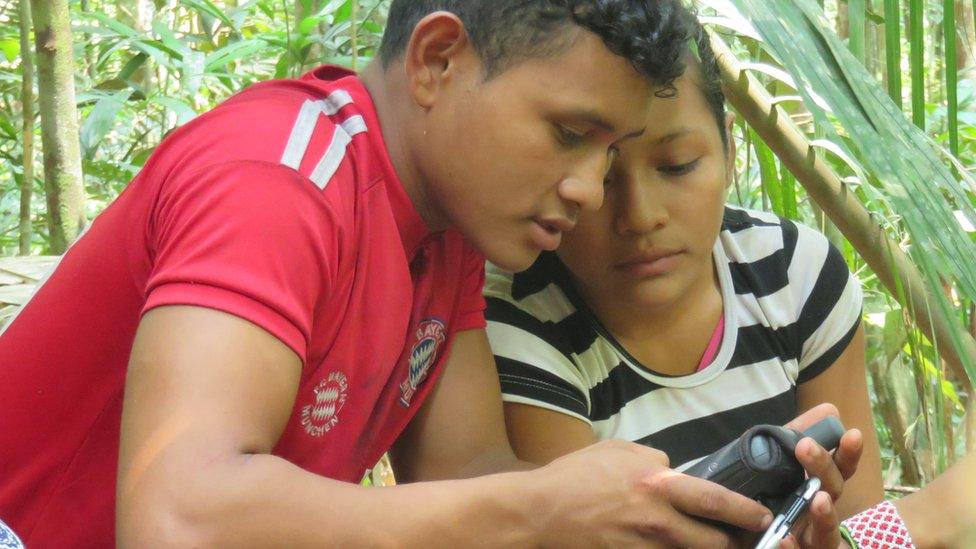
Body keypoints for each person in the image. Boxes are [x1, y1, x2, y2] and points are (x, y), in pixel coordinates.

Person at [0, 1, 823, 547]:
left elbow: (469, 477)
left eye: (608, 149)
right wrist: (541, 507)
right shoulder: (278, 182)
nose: (590, 185)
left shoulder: (452, 231)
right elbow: (176, 517)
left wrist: (665, 509)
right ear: (436, 61)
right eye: (571, 132)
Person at [484, 11, 885, 546]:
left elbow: (873, 527)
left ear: (728, 148)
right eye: (603, 174)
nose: (641, 215)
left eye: (676, 165)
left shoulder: (795, 274)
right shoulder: (521, 323)